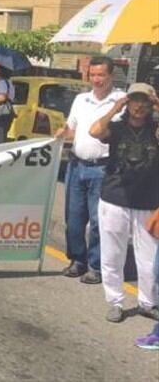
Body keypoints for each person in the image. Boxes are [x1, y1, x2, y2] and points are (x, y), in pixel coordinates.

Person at [88, 83, 159, 323]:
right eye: (135, 100)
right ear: (127, 102)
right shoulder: (117, 127)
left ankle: (147, 302)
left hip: (147, 202)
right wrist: (114, 108)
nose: (139, 106)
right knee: (112, 254)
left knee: (148, 258)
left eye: (144, 101)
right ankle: (115, 302)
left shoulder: (155, 129)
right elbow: (95, 132)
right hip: (115, 198)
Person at [55, 56, 127, 284]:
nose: (96, 80)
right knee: (74, 217)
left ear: (111, 76)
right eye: (92, 75)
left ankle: (96, 265)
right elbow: (72, 129)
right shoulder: (81, 99)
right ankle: (78, 260)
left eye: (101, 75)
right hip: (76, 165)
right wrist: (63, 132)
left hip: (103, 168)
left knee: (98, 221)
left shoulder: (120, 101)